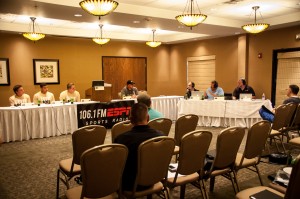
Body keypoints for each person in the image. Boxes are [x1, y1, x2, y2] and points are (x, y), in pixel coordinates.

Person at [114, 103, 163, 191]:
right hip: (154, 179)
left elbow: (116, 166)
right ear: (148, 118)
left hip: (130, 185)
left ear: (130, 119)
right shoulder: (161, 136)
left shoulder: (121, 139)